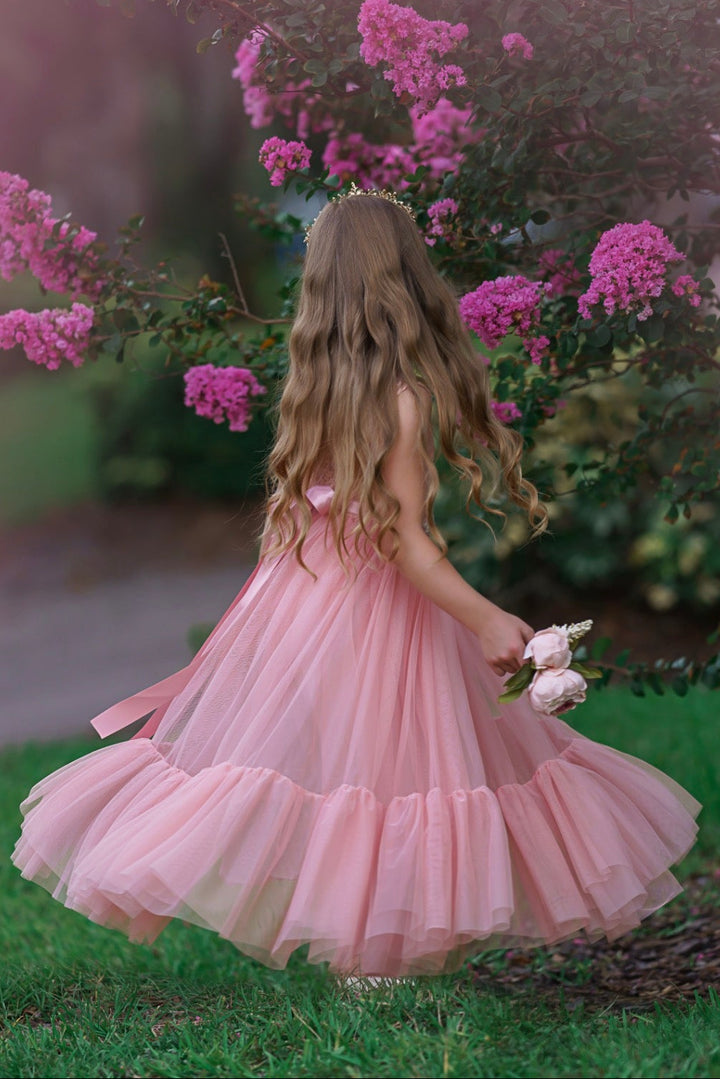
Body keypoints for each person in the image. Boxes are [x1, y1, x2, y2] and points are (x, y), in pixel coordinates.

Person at [13, 189, 700, 980]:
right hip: (378, 605)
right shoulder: (402, 399)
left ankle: (368, 943)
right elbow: (402, 540)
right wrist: (485, 617)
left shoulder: (319, 389)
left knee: (347, 765)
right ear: (404, 281)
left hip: (308, 602)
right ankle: (380, 950)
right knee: (394, 765)